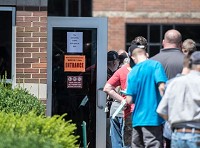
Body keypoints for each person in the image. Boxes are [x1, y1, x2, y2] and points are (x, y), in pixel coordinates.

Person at [104, 36, 148, 148]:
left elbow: (107, 88)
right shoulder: (152, 67)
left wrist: (122, 100)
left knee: (122, 143)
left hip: (124, 111)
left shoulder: (123, 70)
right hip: (142, 114)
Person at [125, 45, 167, 148]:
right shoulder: (155, 65)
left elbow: (129, 100)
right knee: (153, 144)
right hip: (153, 117)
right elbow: (162, 87)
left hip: (137, 119)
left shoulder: (132, 72)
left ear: (133, 58)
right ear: (146, 54)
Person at [156, 51, 200, 148]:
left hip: (177, 134)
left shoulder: (174, 82)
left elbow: (161, 110)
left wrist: (173, 121)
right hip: (196, 134)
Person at [106, 50, 120, 148]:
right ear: (115, 62)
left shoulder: (99, 71)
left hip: (105, 108)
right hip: (107, 109)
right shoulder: (115, 74)